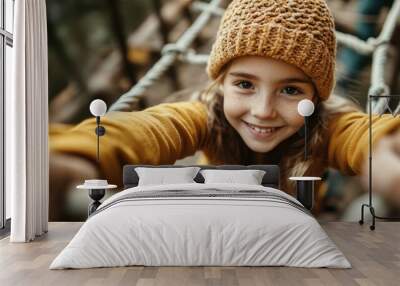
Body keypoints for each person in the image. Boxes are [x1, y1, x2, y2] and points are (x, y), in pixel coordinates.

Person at [49, 0, 400, 221]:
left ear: (316, 97)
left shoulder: (325, 123)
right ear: (220, 83)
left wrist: (383, 148)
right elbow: (149, 129)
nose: (263, 111)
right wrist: (79, 156)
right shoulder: (204, 114)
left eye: (290, 90)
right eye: (244, 84)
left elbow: (359, 134)